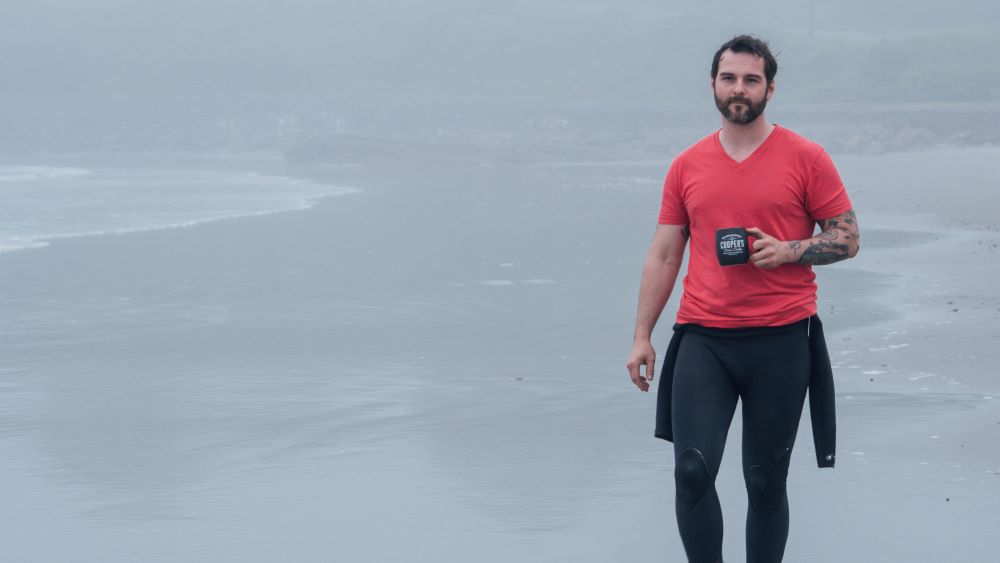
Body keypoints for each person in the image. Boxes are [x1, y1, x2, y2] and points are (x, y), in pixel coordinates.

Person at [625, 35, 860, 563]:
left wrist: (792, 250)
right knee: (691, 471)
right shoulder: (687, 165)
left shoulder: (807, 157)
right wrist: (642, 335)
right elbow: (664, 254)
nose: (739, 88)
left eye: (751, 79)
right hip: (704, 340)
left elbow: (847, 237)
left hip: (780, 341)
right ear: (713, 85)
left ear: (770, 89)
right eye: (729, 78)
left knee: (765, 481)